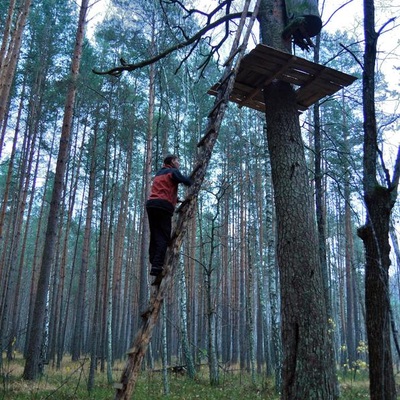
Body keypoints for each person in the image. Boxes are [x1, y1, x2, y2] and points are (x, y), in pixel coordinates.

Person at [146, 154, 192, 278]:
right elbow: (184, 180)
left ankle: (153, 259)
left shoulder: (159, 174)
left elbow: (163, 190)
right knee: (164, 237)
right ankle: (157, 266)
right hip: (163, 207)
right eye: (177, 161)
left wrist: (176, 199)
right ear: (172, 161)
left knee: (155, 234)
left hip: (152, 205)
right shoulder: (172, 171)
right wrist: (191, 181)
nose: (179, 163)